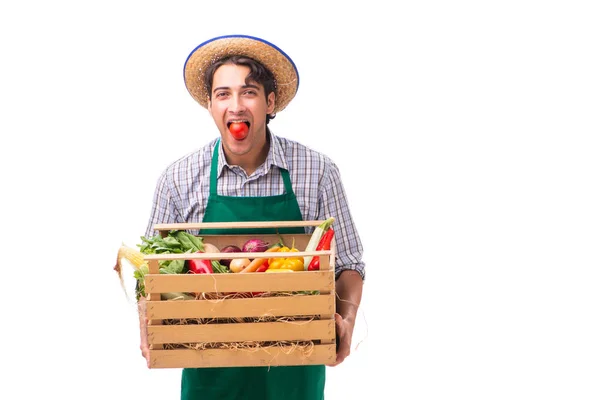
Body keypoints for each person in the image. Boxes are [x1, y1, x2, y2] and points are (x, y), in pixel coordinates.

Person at [138, 34, 365, 400]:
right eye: (223, 94)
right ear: (211, 105)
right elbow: (150, 275)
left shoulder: (317, 171)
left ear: (270, 102)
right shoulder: (178, 179)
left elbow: (350, 263)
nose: (236, 105)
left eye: (249, 92)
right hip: (210, 377)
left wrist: (347, 321)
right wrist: (148, 325)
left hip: (295, 375)